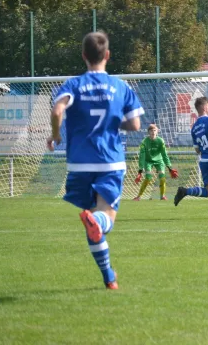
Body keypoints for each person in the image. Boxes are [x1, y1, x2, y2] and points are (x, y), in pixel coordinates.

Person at [47, 31, 144, 290]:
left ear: (83, 56)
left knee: (93, 222)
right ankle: (99, 222)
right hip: (109, 161)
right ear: (108, 55)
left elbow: (57, 110)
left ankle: (109, 276)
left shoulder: (74, 84)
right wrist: (115, 122)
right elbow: (135, 124)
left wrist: (56, 136)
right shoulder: (121, 86)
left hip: (79, 162)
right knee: (104, 220)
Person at [133, 124, 178, 201]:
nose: (153, 132)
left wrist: (169, 168)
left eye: (154, 130)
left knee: (162, 177)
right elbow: (142, 156)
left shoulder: (160, 141)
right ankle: (138, 196)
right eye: (151, 130)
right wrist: (140, 171)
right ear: (148, 132)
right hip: (148, 161)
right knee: (148, 178)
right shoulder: (144, 142)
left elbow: (164, 154)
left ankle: (162, 196)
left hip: (159, 161)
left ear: (157, 132)